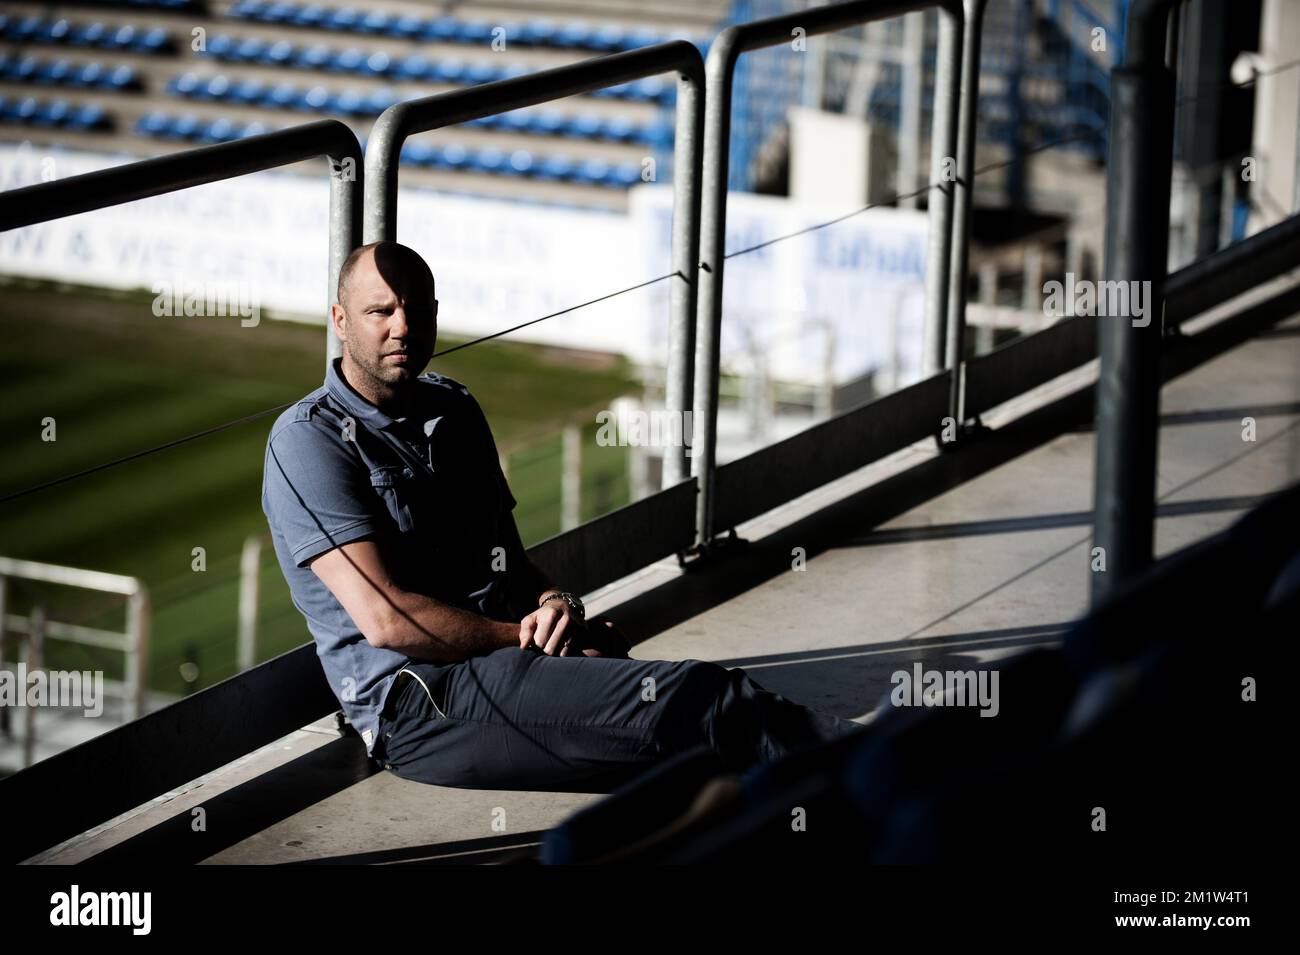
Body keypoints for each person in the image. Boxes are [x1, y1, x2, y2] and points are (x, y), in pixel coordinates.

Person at [261, 240, 863, 792]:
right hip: (422, 701)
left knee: (691, 748)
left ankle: (856, 790)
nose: (403, 327)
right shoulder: (309, 441)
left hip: (505, 664)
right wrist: (522, 638)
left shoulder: (454, 409)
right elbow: (388, 621)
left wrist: (556, 608)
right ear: (340, 321)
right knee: (702, 699)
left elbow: (510, 562)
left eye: (417, 309)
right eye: (380, 311)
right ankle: (885, 765)